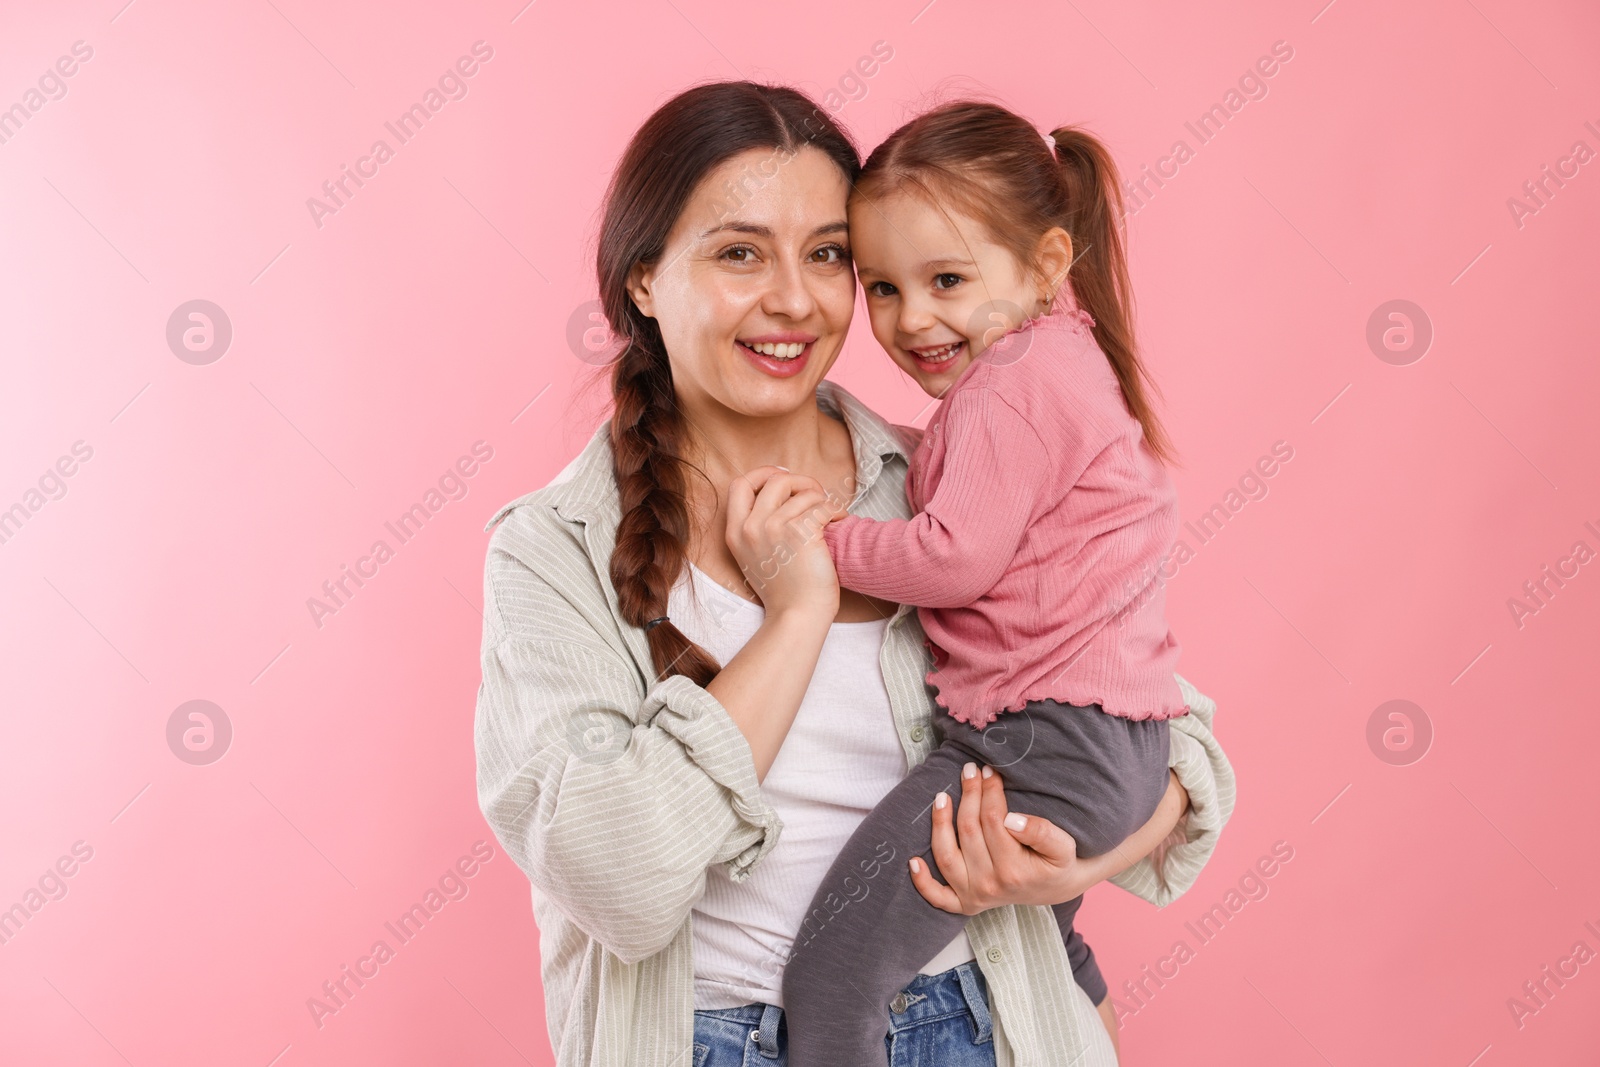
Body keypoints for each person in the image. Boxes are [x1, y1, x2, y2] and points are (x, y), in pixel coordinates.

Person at [474, 81, 1235, 1067]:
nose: (793, 298)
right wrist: (795, 615)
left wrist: (1082, 860)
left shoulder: (943, 482)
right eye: (738, 251)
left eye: (828, 254)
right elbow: (615, 874)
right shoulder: (554, 549)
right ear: (643, 279)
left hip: (997, 1017)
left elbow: (1168, 730)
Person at [772, 100, 1193, 1067]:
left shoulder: (1010, 384)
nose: (913, 318)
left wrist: (816, 544)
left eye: (947, 279)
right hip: (1111, 741)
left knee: (832, 983)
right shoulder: (1060, 359)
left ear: (1046, 265)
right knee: (1046, 936)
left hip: (1042, 741)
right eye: (882, 286)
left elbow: (952, 558)